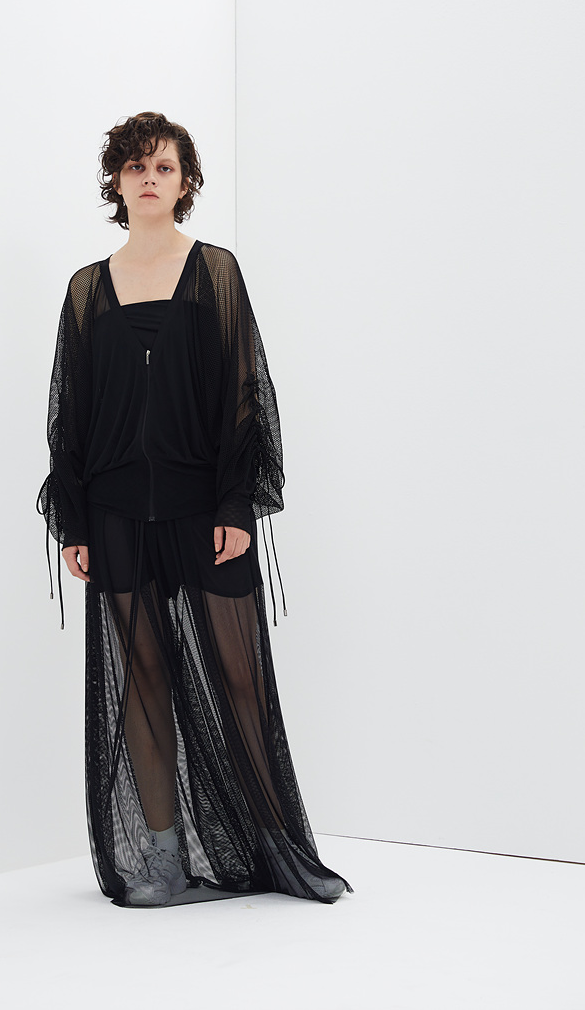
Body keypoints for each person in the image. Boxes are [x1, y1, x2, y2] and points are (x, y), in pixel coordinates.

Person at [37, 111, 352, 907]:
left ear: (185, 183)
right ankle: (162, 855)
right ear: (116, 182)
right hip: (114, 510)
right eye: (136, 167)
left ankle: (277, 846)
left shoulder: (215, 271)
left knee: (242, 676)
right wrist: (74, 523)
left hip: (204, 509)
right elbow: (70, 413)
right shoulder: (86, 288)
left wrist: (236, 505)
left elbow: (245, 394)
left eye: (165, 168)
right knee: (142, 680)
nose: (150, 179)